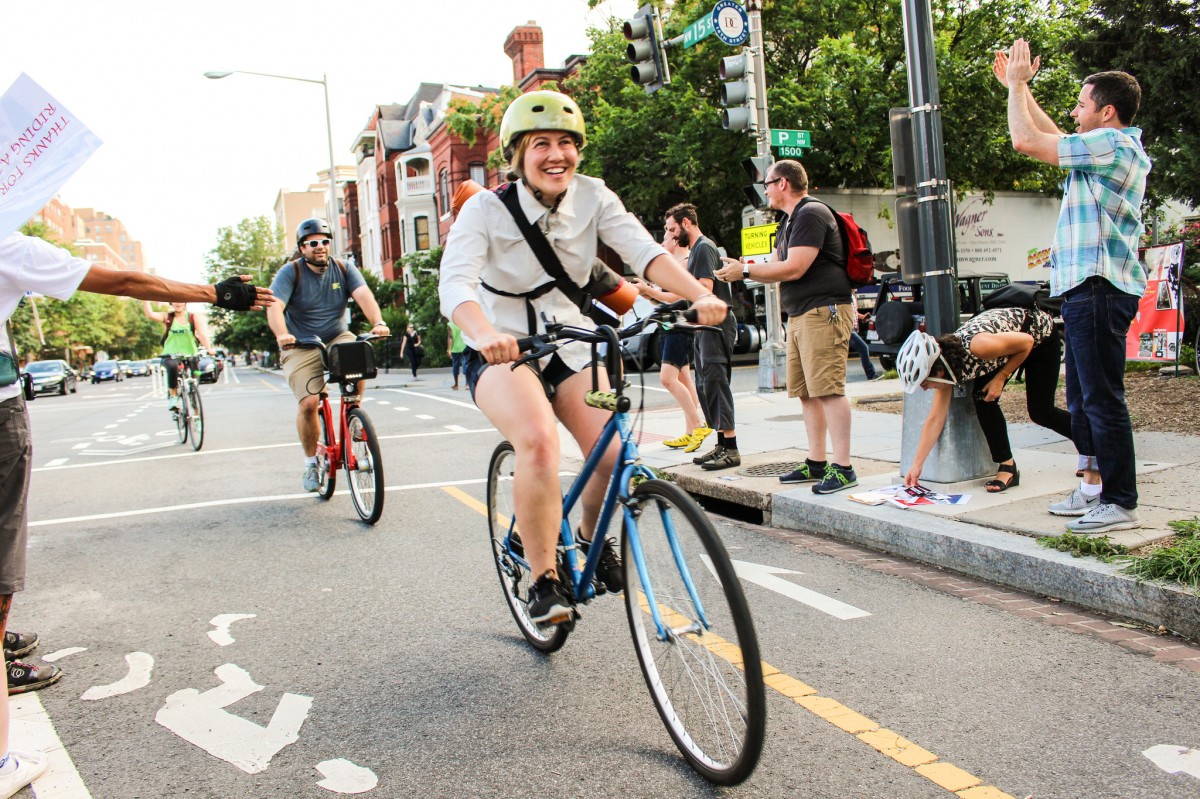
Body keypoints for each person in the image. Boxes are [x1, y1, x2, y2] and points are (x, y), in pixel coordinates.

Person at [438, 90, 727, 624]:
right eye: (541, 143)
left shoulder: (594, 196)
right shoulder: (484, 209)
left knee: (616, 452)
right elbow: (455, 284)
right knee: (540, 443)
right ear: (518, 154)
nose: (556, 155)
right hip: (505, 351)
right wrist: (481, 332)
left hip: (574, 345)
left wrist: (698, 295)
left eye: (567, 143)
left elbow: (646, 253)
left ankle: (593, 541)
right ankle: (543, 580)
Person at [0, 230, 269, 799]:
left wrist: (197, 326)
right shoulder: (8, 238)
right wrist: (215, 295)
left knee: (184, 368)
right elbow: (121, 281)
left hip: (185, 349)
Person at [999, 39, 1150, 533]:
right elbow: (1053, 134)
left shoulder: (1113, 143)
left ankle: (1120, 500)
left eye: (1082, 103)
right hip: (1088, 287)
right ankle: (1092, 487)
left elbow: (1026, 141)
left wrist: (1019, 86)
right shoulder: (1101, 147)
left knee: (1102, 398)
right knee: (1084, 398)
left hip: (1100, 286)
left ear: (1107, 112)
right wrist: (1019, 90)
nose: (1074, 111)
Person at [716, 159, 858, 494]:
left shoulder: (811, 213)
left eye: (767, 183)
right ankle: (817, 461)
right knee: (807, 393)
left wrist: (745, 272)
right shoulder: (790, 221)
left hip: (824, 312)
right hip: (801, 314)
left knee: (828, 390)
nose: (764, 190)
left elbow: (794, 267)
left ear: (783, 183)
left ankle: (844, 467)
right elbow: (780, 263)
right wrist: (743, 266)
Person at [267, 218, 390, 493]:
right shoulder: (290, 273)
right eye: (313, 243)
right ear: (302, 248)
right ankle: (311, 461)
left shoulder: (344, 269)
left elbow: (364, 295)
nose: (320, 247)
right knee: (310, 403)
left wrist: (378, 322)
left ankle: (353, 412)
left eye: (324, 241)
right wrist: (282, 335)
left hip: (335, 336)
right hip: (300, 343)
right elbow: (275, 306)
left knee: (358, 350)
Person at [896, 308, 1077, 493]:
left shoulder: (979, 347)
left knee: (1041, 412)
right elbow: (935, 419)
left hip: (1039, 338)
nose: (924, 389)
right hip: (1007, 350)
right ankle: (1008, 466)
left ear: (938, 370)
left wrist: (1001, 377)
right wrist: (917, 464)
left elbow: (1027, 342)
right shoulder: (947, 368)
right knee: (983, 398)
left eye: (925, 383)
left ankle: (1094, 447)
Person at [661, 203, 739, 469]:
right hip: (703, 327)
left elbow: (703, 291)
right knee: (705, 387)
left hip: (715, 324)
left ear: (685, 223)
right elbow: (687, 294)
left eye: (673, 229)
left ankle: (731, 447)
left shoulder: (704, 247)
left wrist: (681, 317)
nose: (672, 235)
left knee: (716, 383)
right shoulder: (697, 250)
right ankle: (720, 445)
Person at [629, 226, 707, 449]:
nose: (662, 242)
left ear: (674, 240)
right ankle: (691, 431)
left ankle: (698, 425)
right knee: (684, 378)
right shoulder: (673, 265)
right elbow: (664, 300)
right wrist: (647, 292)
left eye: (665, 237)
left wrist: (650, 291)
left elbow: (678, 296)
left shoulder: (683, 264)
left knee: (667, 378)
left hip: (679, 326)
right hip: (668, 325)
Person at [142, 300, 214, 412]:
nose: (178, 303)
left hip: (190, 353)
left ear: (185, 303)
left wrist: (209, 348)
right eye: (175, 301)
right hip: (171, 354)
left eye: (181, 301)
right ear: (171, 303)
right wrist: (145, 300)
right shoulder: (168, 317)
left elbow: (201, 334)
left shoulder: (192, 317)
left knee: (196, 374)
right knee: (172, 367)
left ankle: (193, 398)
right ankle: (173, 395)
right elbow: (150, 315)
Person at [848, 290, 883, 381]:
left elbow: (854, 312)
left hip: (853, 328)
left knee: (842, 353)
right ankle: (871, 374)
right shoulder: (845, 293)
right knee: (863, 348)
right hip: (848, 328)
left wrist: (862, 317)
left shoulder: (852, 294)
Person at [447, 320, 467, 389]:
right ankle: (467, 384)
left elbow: (450, 337)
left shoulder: (450, 324)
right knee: (465, 364)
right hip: (464, 347)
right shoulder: (462, 322)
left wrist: (449, 349)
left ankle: (456, 384)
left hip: (455, 349)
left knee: (455, 365)